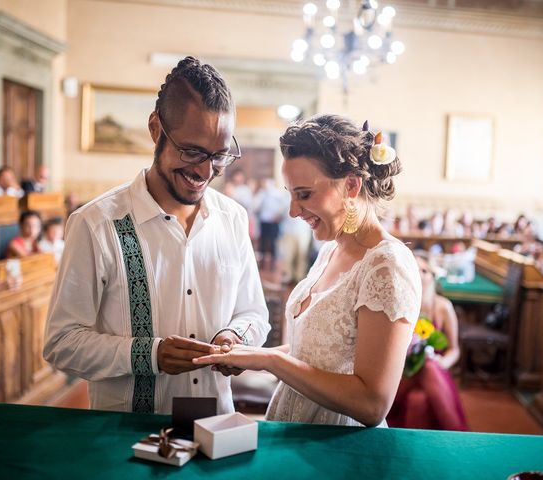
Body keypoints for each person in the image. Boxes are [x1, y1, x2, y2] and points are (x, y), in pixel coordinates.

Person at [43, 56, 270, 415]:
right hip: (125, 438)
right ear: (155, 128)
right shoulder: (95, 223)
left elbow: (255, 313)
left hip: (215, 424)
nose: (206, 170)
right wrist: (149, 354)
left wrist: (237, 337)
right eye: (192, 151)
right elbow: (62, 343)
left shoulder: (233, 218)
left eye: (220, 156)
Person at [193, 114, 421, 427]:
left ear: (352, 184)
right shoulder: (331, 250)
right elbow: (317, 352)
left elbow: (372, 404)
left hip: (337, 442)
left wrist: (271, 361)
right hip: (295, 425)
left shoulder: (387, 265)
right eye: (290, 193)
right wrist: (250, 355)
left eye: (304, 194)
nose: (292, 211)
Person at [386, 253, 468, 431]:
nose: (421, 274)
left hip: (434, 373)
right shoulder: (396, 304)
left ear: (432, 275)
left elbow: (454, 350)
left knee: (419, 400)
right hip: (402, 375)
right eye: (415, 269)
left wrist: (442, 363)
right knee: (427, 368)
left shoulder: (443, 306)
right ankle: (458, 436)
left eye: (425, 270)